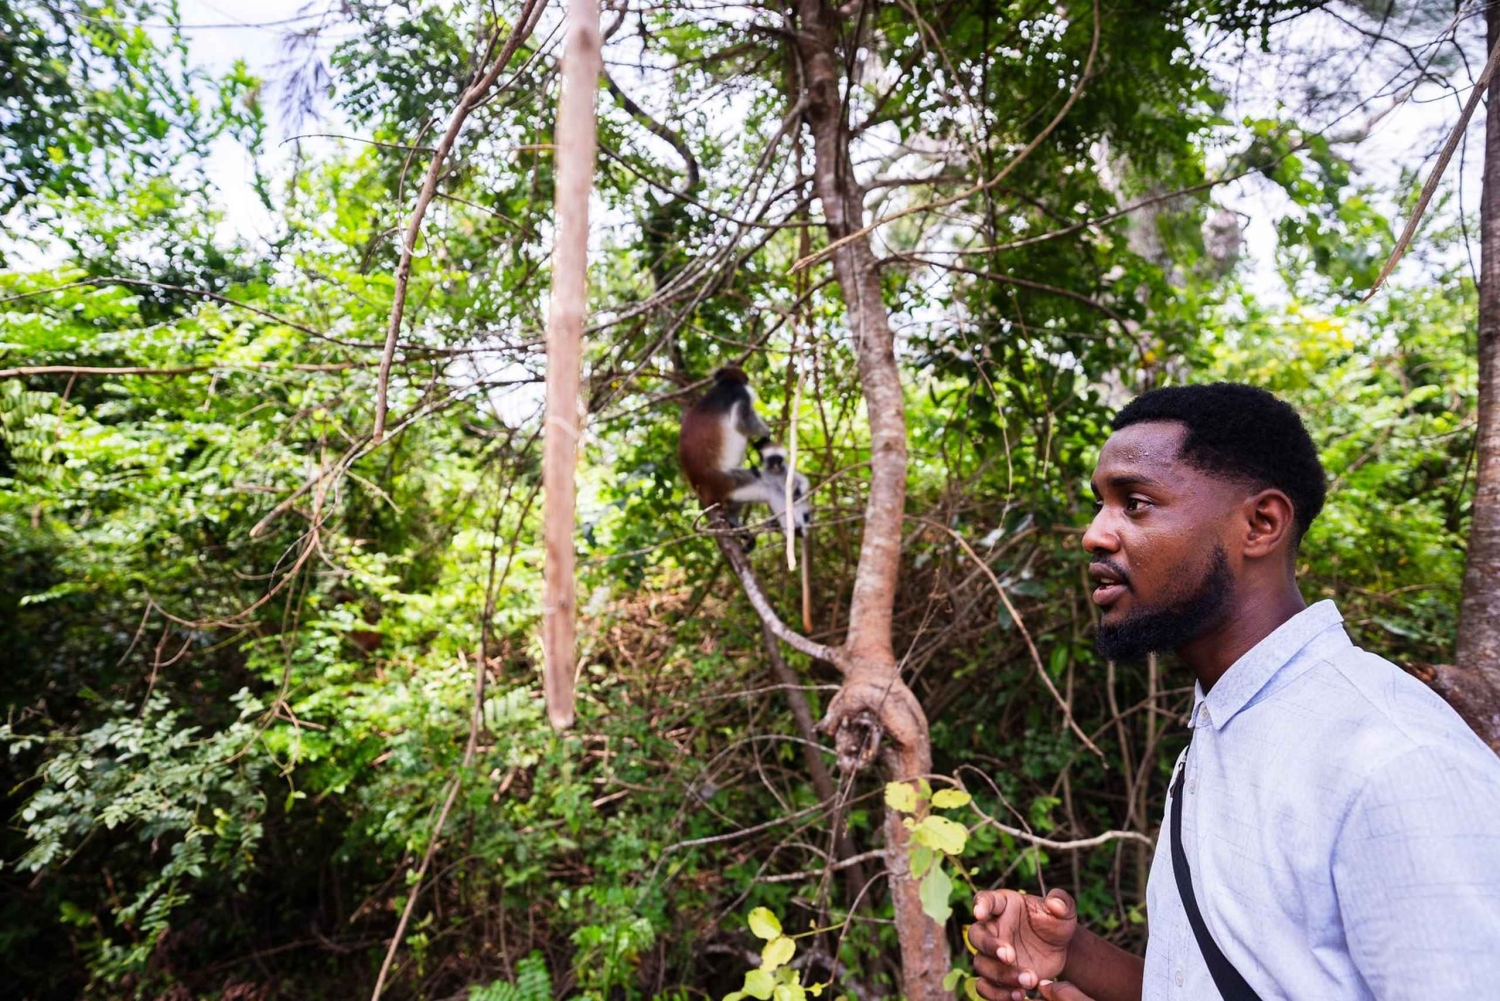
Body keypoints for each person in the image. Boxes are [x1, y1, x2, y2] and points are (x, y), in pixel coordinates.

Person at [967, 383, 1500, 1001]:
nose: (1094, 534)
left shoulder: (1396, 760)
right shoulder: (1227, 722)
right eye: (1100, 505)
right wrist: (1075, 955)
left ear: (1261, 524)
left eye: (1135, 503)